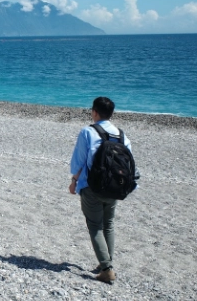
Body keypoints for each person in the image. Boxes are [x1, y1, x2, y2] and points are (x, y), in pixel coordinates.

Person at [69, 96, 131, 284]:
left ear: (95, 112)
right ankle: (106, 262)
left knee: (95, 225)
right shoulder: (121, 135)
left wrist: (74, 181)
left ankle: (106, 268)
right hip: (114, 187)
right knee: (108, 224)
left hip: (92, 186)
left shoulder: (88, 132)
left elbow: (78, 163)